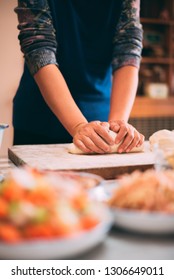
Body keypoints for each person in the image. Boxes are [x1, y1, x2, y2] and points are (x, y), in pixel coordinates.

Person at [13, 0, 144, 154]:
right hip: (39, 121)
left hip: (101, 120)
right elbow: (39, 50)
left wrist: (117, 124)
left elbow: (128, 50)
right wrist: (78, 126)